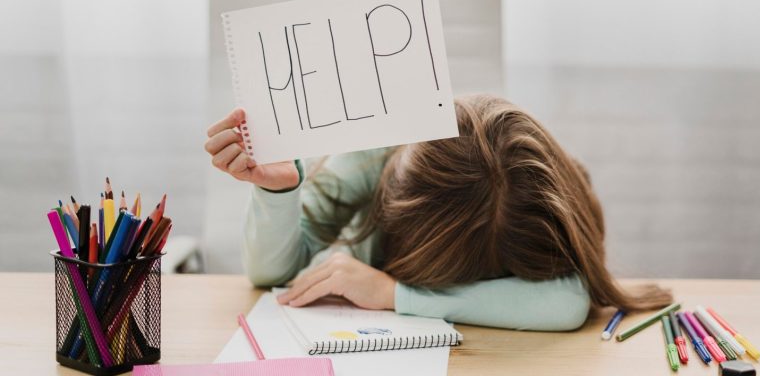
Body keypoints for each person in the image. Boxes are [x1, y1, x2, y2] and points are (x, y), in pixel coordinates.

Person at [204, 94, 672, 331]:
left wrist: (395, 295)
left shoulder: (531, 200)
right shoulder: (374, 157)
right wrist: (279, 192)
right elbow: (270, 274)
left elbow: (567, 303)